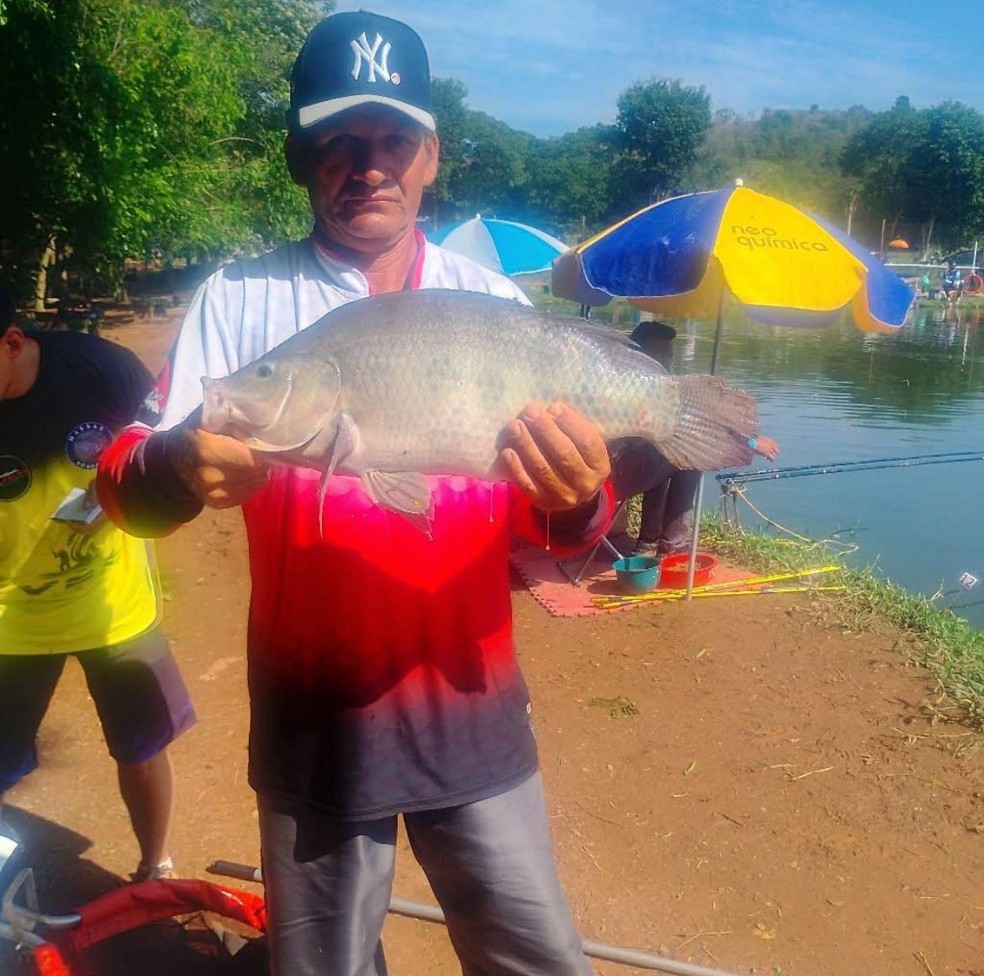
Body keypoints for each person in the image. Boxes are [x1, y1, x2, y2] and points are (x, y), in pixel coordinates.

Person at [96, 11, 613, 976]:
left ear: (430, 158)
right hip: (315, 717)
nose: (367, 163)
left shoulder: (493, 304)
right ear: (302, 156)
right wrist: (173, 466)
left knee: (534, 960)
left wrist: (580, 497)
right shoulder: (239, 302)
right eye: (339, 139)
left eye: (394, 139)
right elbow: (126, 488)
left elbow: (565, 521)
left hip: (474, 704)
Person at [0, 282, 195, 883]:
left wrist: (135, 494)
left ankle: (154, 864)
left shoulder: (99, 368)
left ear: (12, 343)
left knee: (141, 747)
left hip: (114, 602)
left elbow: (161, 447)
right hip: (10, 622)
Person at [610, 320, 779, 556]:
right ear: (643, 354)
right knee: (688, 456)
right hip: (612, 479)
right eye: (663, 353)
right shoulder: (642, 388)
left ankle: (649, 543)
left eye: (669, 353)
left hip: (610, 473)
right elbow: (698, 429)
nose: (669, 359)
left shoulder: (616, 380)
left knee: (664, 450)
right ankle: (673, 546)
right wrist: (751, 443)